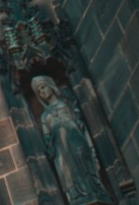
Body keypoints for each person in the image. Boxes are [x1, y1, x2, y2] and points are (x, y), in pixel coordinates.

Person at [32, 75, 111, 205]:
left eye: (43, 87)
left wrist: (68, 123)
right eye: (39, 91)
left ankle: (94, 190)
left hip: (76, 140)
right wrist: (53, 138)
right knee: (69, 173)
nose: (42, 92)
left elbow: (78, 120)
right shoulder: (44, 116)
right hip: (62, 151)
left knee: (85, 164)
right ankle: (77, 196)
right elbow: (47, 139)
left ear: (50, 86)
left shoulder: (66, 103)